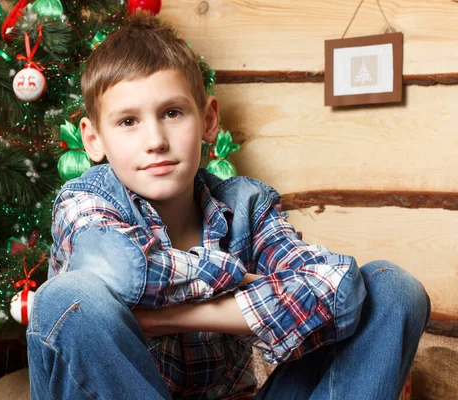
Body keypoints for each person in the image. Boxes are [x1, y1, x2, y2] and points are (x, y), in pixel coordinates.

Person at [26, 13, 430, 400]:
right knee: (70, 298)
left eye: (172, 113)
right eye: (128, 122)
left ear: (208, 119)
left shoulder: (247, 205)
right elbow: (124, 270)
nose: (155, 140)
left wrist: (167, 316)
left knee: (392, 290)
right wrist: (243, 282)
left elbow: (339, 290)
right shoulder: (85, 201)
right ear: (94, 139)